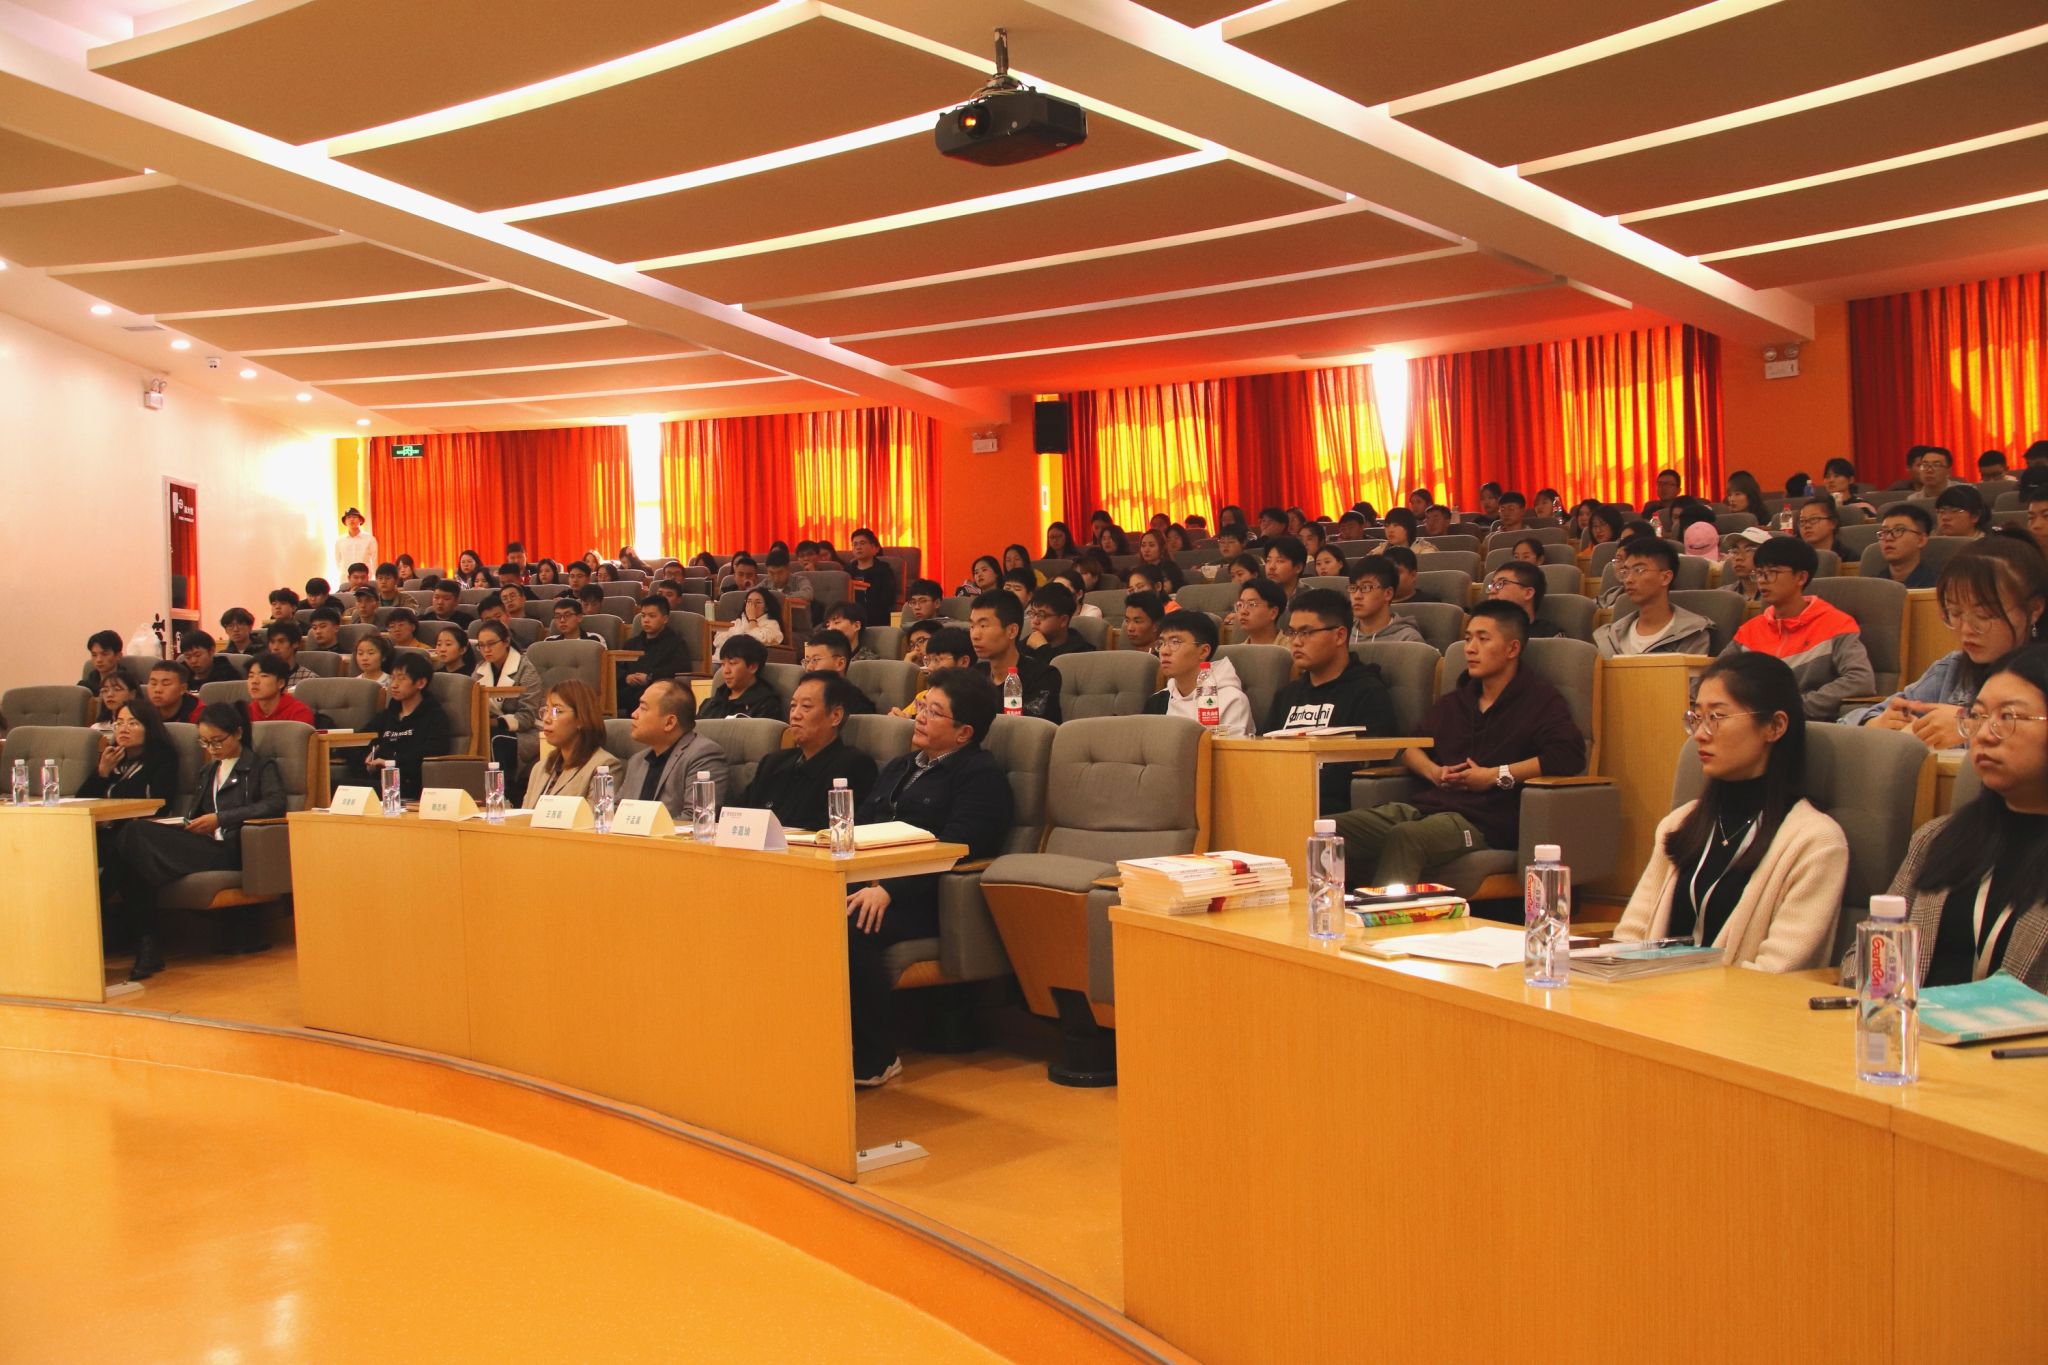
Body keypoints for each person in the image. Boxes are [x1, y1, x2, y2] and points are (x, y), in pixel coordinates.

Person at [1614, 654, 1849, 970]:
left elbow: (1776, 970)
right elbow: (1630, 938)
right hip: (1650, 993)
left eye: (1716, 717)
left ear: (1775, 726)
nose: (1700, 733)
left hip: (1742, 1001)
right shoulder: (1679, 823)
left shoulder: (1816, 842)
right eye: (1696, 717)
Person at [1333, 603, 1587, 887]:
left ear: (1512, 649)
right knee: (1332, 829)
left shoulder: (1539, 700)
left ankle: (1387, 913)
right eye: (1467, 639)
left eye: (1483, 639)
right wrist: (1434, 772)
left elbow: (1568, 755)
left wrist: (1496, 775)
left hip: (1483, 821)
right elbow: (1411, 748)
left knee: (1407, 836)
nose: (1470, 649)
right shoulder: (1456, 701)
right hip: (1426, 809)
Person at [1842, 647, 2048, 990]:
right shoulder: (1937, 838)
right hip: (1913, 1022)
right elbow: (1866, 959)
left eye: (2008, 717)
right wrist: (1880, 1002)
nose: (1985, 734)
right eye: (1978, 716)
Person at [845, 668, 1012, 1085]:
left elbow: (956, 848)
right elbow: (859, 826)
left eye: (934, 712)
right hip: (867, 881)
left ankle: (876, 1056)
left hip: (930, 897)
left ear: (963, 733)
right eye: (922, 706)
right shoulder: (901, 765)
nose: (919, 717)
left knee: (850, 924)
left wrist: (888, 889)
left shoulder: (980, 776)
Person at [113, 702, 286, 979]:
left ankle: (144, 941)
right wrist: (186, 824)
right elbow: (196, 814)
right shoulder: (208, 771)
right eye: (205, 742)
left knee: (133, 838)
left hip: (234, 847)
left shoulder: (259, 766)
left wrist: (221, 819)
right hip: (205, 844)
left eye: (217, 741)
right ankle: (147, 944)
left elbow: (274, 804)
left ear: (237, 733)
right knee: (133, 842)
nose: (212, 749)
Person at [1843, 538, 2048, 743]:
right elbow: (1848, 722)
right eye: (1955, 613)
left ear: (2035, 609)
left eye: (1983, 615)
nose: (1966, 629)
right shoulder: (1952, 670)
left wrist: (1972, 726)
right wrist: (1874, 723)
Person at [1268, 588, 1396, 811]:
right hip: (1277, 797)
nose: (1296, 642)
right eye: (1292, 633)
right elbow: (1264, 752)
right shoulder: (1287, 695)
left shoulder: (1368, 693)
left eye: (1306, 632)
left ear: (1340, 636)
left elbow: (1373, 762)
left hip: (1331, 809)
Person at [1722, 538, 1874, 719]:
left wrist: (1795, 708)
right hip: (1752, 724)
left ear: (1801, 577)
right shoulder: (1749, 630)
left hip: (1808, 725)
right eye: (1759, 573)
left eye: (1772, 572)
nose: (1762, 580)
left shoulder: (1836, 624)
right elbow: (1715, 676)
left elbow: (1860, 680)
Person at [741, 671, 877, 829]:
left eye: (806, 707)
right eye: (793, 706)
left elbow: (835, 830)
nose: (795, 715)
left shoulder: (855, 766)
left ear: (835, 716)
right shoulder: (772, 763)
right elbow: (738, 815)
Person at [620, 680, 729, 818]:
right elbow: (617, 810)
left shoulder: (704, 755)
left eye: (643, 708)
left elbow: (696, 818)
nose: (634, 714)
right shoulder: (637, 760)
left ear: (669, 722)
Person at [1595, 536, 1714, 657]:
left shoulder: (1692, 632)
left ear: (1665, 577)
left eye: (1639, 570)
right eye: (1626, 572)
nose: (1628, 579)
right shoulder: (1611, 636)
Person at [354, 653, 451, 800]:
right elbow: (359, 740)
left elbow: (435, 749)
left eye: (402, 678)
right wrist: (366, 759)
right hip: (378, 781)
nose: (394, 685)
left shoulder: (434, 715)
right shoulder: (387, 715)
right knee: (337, 787)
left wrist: (391, 763)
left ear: (420, 683)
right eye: (392, 678)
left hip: (410, 784)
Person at [1145, 610, 1254, 736]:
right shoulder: (1158, 701)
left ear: (1203, 651)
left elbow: (1231, 748)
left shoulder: (1232, 700)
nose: (1164, 651)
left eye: (1175, 642)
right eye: (1161, 643)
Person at [521, 681, 619, 806]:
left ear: (581, 719)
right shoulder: (540, 768)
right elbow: (525, 814)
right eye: (546, 710)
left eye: (557, 711)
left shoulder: (604, 767)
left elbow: (595, 816)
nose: (546, 719)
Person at [969, 589, 1061, 721]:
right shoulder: (974, 676)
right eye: (972, 626)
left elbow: (1028, 728)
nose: (975, 635)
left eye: (983, 626)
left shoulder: (1043, 676)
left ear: (1012, 631)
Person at [473, 618, 543, 774]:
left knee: (495, 739)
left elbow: (527, 717)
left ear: (506, 642)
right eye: (481, 645)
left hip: (526, 731)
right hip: (490, 727)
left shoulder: (526, 670)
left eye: (491, 644)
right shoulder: (480, 669)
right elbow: (472, 703)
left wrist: (493, 723)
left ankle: (501, 787)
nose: (486, 650)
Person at [82, 698, 179, 802]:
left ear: (149, 727)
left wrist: (111, 791)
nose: (123, 729)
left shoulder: (163, 758)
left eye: (132, 723)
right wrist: (102, 772)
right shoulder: (112, 757)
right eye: (119, 723)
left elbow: (160, 804)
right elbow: (82, 801)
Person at [619, 595, 692, 714]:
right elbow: (617, 667)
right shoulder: (631, 643)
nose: (646, 620)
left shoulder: (676, 643)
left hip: (658, 693)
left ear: (665, 619)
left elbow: (681, 669)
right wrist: (626, 677)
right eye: (643, 616)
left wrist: (649, 677)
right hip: (629, 691)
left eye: (652, 616)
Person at [700, 633, 786, 720]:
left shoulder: (767, 705)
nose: (726, 670)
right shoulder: (709, 704)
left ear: (753, 667)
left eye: (732, 663)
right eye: (722, 664)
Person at [896, 626, 976, 717]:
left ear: (964, 662)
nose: (930, 667)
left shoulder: (971, 701)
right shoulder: (924, 696)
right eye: (928, 660)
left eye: (937, 660)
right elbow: (905, 717)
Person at [1347, 558, 1423, 644]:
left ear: (1388, 594)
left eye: (1366, 587)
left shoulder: (1407, 639)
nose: (1357, 596)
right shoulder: (1342, 635)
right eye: (1353, 588)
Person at [800, 631, 877, 713]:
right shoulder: (801, 695)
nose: (809, 668)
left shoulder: (858, 705)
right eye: (807, 661)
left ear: (840, 663)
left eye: (815, 660)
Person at [1486, 561, 1563, 638]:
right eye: (1492, 585)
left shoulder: (1548, 634)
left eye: (1501, 583)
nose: (1492, 591)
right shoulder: (1481, 626)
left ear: (1528, 593)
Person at [1023, 583, 1094, 663]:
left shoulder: (1079, 653)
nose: (1034, 621)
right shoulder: (1027, 642)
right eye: (1032, 613)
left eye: (1041, 615)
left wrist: (1043, 649)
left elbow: (1055, 670)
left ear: (1063, 620)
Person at [846, 527, 897, 627]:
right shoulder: (847, 572)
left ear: (874, 548)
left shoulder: (884, 571)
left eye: (862, 543)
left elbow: (887, 601)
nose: (858, 547)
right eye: (855, 544)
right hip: (850, 618)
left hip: (876, 619)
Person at [244, 653, 315, 724]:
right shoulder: (246, 713)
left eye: (263, 676)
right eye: (251, 676)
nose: (254, 681)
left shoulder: (299, 713)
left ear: (281, 683)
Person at [716, 587, 784, 649]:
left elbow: (757, 640)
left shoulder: (772, 624)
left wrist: (752, 619)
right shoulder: (738, 622)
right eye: (749, 601)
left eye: (758, 602)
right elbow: (717, 641)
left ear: (766, 607)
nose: (752, 606)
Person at [263, 620, 317, 690]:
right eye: (272, 642)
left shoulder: (309, 680)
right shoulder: (262, 677)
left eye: (281, 641)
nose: (275, 647)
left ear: (295, 643)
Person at [144, 660, 201, 725]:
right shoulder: (142, 712)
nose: (157, 690)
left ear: (183, 689)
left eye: (166, 684)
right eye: (153, 683)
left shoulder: (200, 716)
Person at [1233, 579, 1285, 647]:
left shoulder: (1291, 649)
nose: (1243, 611)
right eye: (1240, 605)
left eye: (1252, 604)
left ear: (1273, 613)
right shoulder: (1236, 652)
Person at [79, 629, 125, 694]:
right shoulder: (85, 687)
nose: (99, 660)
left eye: (104, 654)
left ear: (118, 656)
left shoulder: (129, 684)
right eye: (94, 655)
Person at [334, 508, 377, 578]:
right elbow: (338, 561)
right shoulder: (340, 540)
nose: (351, 519)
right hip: (346, 578)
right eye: (348, 517)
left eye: (354, 517)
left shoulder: (369, 539)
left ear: (360, 520)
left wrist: (375, 576)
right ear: (345, 522)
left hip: (365, 578)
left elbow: (374, 559)